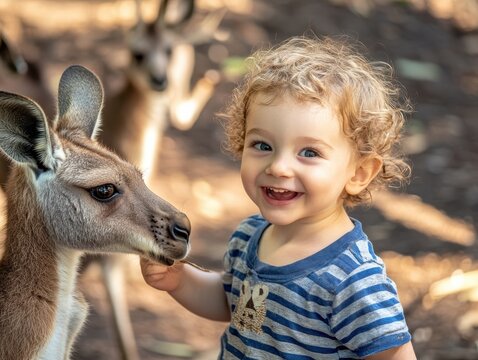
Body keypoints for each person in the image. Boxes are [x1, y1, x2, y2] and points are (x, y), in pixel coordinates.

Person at [140, 35, 417, 359]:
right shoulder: (250, 235)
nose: (279, 166)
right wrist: (181, 281)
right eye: (262, 145)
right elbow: (236, 303)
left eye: (309, 152)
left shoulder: (352, 279)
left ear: (358, 173)